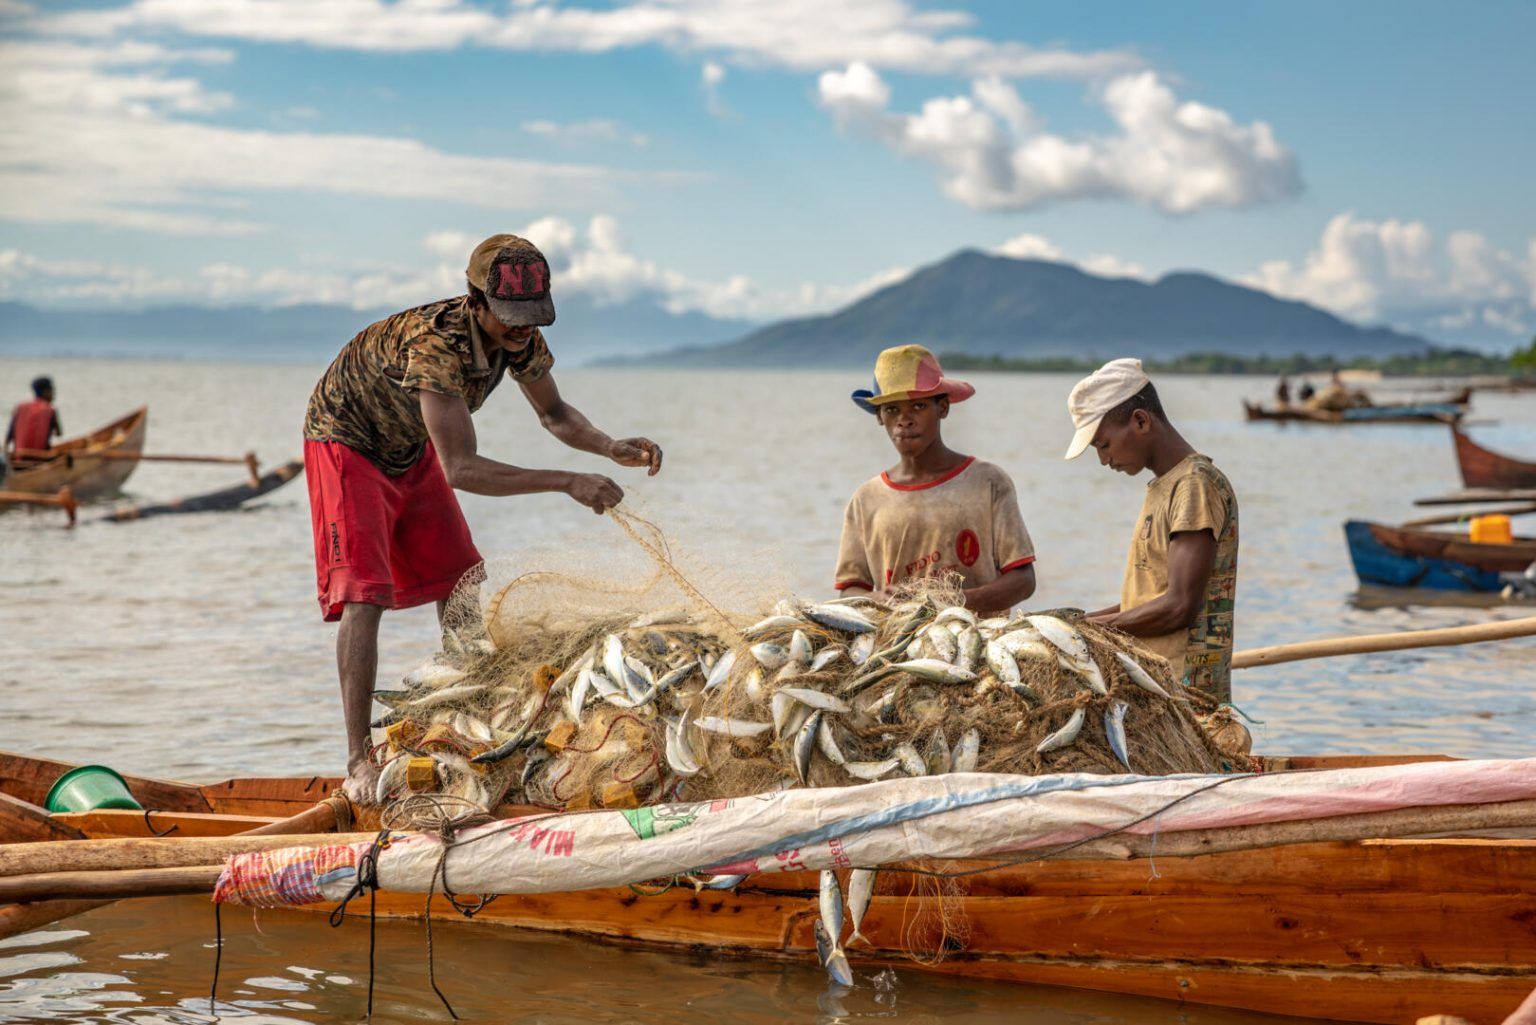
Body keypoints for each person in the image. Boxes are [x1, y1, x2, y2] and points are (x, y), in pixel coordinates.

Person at [303, 233, 664, 801]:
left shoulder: (519, 338)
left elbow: (555, 413)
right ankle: (357, 762)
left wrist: (607, 446)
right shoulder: (435, 345)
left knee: (462, 576)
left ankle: (465, 713)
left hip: (410, 444)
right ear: (475, 302)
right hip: (346, 441)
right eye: (509, 318)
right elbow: (463, 469)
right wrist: (567, 481)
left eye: (530, 317)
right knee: (365, 596)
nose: (521, 328)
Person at [1063, 358, 1238, 703]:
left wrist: (1088, 633)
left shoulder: (1193, 486)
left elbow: (1178, 606)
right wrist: (1075, 623)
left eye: (1103, 444)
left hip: (1185, 696)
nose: (1103, 460)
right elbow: (1147, 599)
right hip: (1155, 683)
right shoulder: (1165, 486)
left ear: (1140, 421)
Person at [835, 344, 1036, 615]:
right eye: (892, 409)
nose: (904, 420)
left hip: (979, 640)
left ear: (942, 408)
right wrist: (878, 599)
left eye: (918, 406)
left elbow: (1023, 581)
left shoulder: (987, 482)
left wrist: (949, 602)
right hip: (899, 646)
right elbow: (850, 588)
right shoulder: (866, 499)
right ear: (879, 417)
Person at [5, 376, 62, 462]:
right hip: (40, 459)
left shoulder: (20, 407)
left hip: (18, 457)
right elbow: (59, 433)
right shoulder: (50, 409)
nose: (53, 394)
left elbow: (8, 438)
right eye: (52, 391)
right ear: (45, 392)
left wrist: (6, 456)